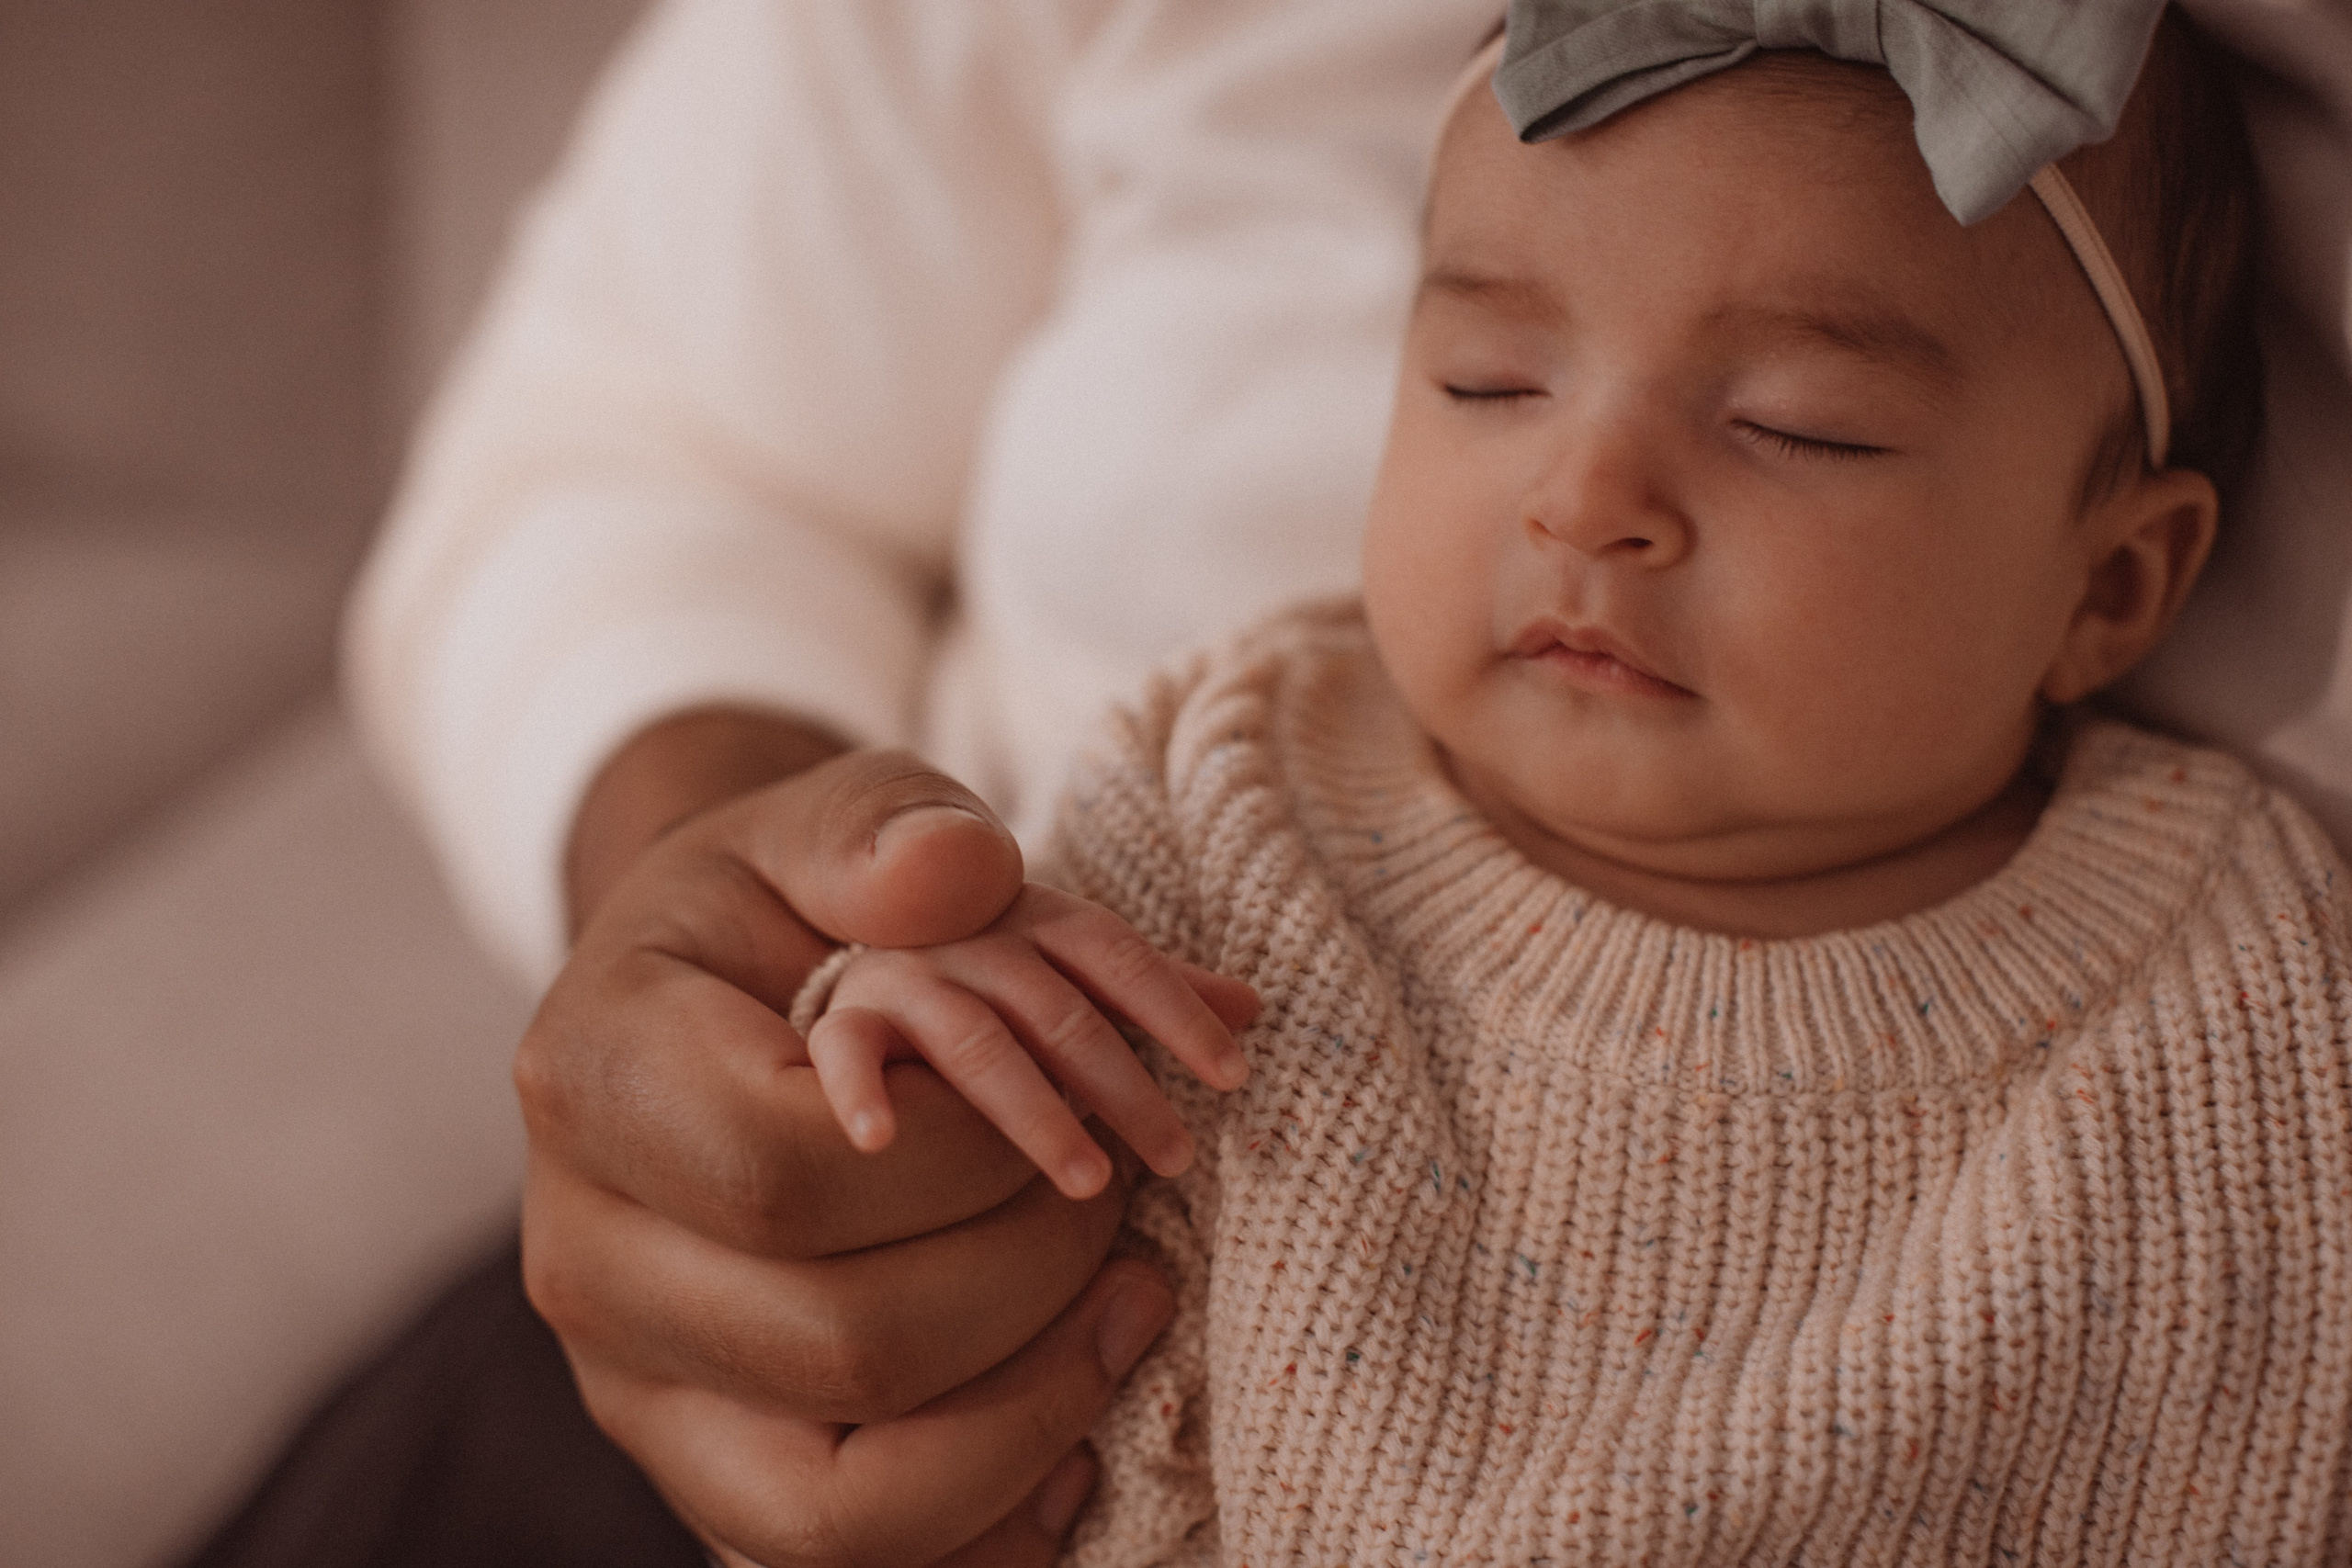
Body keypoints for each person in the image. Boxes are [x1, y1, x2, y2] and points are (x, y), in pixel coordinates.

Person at [189, 0, 2346, 1563]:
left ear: (2114, 578)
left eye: (1800, 423)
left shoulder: (2240, 987)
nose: (1582, 493)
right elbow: (648, 446)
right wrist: (814, 1002)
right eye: (1481, 376)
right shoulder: (1237, 779)